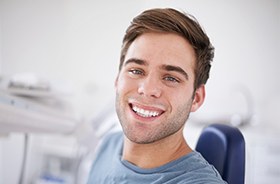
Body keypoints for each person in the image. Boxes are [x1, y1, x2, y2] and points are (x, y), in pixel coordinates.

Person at [87, 8, 226, 184]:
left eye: (170, 78)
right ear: (117, 80)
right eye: (136, 71)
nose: (147, 89)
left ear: (196, 98)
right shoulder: (108, 146)